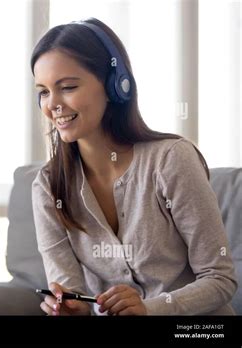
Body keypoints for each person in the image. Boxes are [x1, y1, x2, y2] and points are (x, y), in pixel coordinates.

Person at [31, 17, 237, 316]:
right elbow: (72, 295)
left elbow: (220, 278)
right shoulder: (48, 187)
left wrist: (151, 309)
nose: (53, 105)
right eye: (44, 92)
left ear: (116, 86)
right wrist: (72, 309)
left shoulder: (171, 160)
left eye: (68, 87)